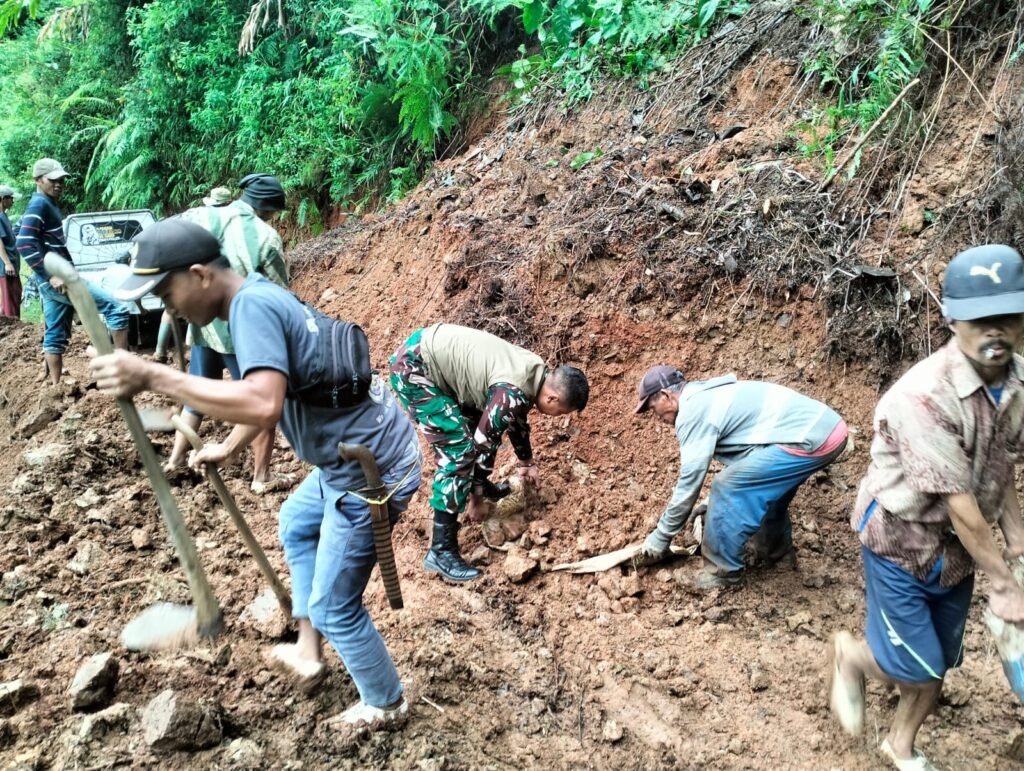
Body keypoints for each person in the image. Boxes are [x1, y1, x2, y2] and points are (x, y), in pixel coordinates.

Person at [92, 218, 421, 731]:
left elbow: (263, 403)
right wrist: (226, 446)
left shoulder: (251, 308)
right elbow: (275, 395)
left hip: (370, 471)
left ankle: (386, 702)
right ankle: (309, 650)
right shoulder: (256, 297)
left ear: (199, 275)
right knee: (296, 521)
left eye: (165, 289)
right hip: (353, 459)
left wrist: (155, 375)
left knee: (338, 607)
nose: (165, 305)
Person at [829, 244, 1024, 771]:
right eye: (980, 319)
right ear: (951, 319)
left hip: (958, 550)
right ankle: (866, 683)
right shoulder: (923, 397)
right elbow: (961, 506)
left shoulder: (1017, 383)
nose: (996, 331)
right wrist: (1005, 585)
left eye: (1008, 315)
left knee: (937, 663)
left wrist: (1019, 542)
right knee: (919, 668)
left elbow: (1000, 461)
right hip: (901, 539)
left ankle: (888, 717)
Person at [389, 323, 589, 581]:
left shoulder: (535, 371)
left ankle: (475, 485)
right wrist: (477, 498)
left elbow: (515, 417)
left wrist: (526, 461)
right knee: (459, 452)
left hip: (425, 351)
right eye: (560, 412)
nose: (556, 417)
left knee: (475, 421)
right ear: (552, 399)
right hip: (414, 369)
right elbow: (484, 443)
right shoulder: (513, 391)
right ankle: (441, 550)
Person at [632, 365, 848, 589]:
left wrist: (662, 535)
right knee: (764, 492)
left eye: (652, 407)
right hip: (827, 429)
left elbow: (689, 483)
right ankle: (778, 557)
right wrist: (709, 503)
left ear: (667, 396)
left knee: (727, 488)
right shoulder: (707, 395)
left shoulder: (691, 412)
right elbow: (753, 455)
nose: (655, 416)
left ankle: (722, 574)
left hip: (811, 439)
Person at [163, 174, 290, 494]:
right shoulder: (265, 236)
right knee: (260, 404)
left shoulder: (200, 215)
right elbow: (279, 294)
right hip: (241, 333)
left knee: (197, 394)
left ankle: (174, 461)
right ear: (268, 209)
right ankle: (261, 477)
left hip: (202, 323)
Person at [16, 158, 130, 384]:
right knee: (117, 309)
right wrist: (51, 275)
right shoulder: (39, 204)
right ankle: (123, 371)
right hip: (59, 279)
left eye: (62, 180)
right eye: (53, 180)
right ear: (38, 180)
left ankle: (57, 387)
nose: (59, 184)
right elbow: (23, 242)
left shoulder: (46, 203)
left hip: (50, 282)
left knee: (55, 335)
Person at [0, 184, 20, 318]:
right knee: (10, 302)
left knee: (14, 296)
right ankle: (13, 331)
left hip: (12, 264)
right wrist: (7, 263)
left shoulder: (4, 216)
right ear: (2, 199)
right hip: (6, 267)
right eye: (10, 198)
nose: (12, 201)